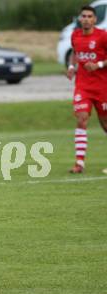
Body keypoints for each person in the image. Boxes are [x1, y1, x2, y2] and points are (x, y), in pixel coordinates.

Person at [67, 5, 107, 173]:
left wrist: (98, 65)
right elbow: (75, 52)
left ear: (94, 20)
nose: (86, 19)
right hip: (82, 87)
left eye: (89, 16)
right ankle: (79, 163)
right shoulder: (75, 35)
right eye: (83, 16)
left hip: (102, 87)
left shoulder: (102, 36)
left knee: (105, 125)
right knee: (81, 119)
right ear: (79, 18)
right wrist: (71, 66)